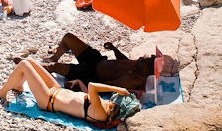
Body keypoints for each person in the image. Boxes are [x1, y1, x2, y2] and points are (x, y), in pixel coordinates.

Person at [0, 59, 137, 127]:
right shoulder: (103, 105)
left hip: (48, 100)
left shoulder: (102, 114)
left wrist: (118, 89)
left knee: (24, 65)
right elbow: (88, 95)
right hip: (56, 90)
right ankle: (18, 85)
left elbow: (92, 87)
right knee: (30, 61)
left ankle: (2, 92)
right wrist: (79, 82)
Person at [39, 33, 174, 90]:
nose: (145, 57)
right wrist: (115, 49)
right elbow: (124, 62)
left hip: (89, 74)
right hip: (97, 60)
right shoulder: (139, 65)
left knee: (53, 67)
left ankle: (31, 66)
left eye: (148, 59)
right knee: (69, 38)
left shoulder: (134, 79)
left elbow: (105, 86)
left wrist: (81, 85)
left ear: (147, 69)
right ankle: (54, 56)